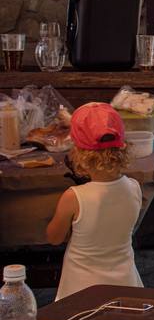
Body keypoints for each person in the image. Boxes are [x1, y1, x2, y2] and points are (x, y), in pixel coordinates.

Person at [46, 102, 143, 300]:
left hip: (81, 288)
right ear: (123, 147)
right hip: (125, 283)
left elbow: (54, 238)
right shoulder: (134, 188)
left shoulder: (73, 197)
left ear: (78, 153)